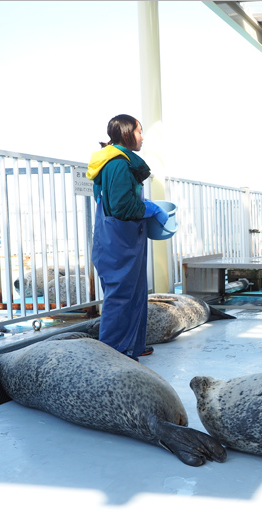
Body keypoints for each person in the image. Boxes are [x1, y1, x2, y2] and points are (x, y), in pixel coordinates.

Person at [87, 114, 169, 361]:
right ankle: (113, 352)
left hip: (116, 238)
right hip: (119, 242)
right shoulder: (119, 164)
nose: (142, 137)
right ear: (126, 134)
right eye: (139, 131)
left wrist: (145, 205)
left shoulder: (109, 161)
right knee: (121, 296)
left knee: (134, 293)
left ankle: (133, 344)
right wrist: (151, 209)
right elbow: (123, 207)